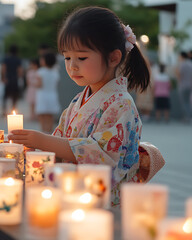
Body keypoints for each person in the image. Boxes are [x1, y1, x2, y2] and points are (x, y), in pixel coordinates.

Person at [9, 7, 151, 206]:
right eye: (67, 57)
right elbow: (59, 141)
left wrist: (42, 140)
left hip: (100, 199)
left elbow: (102, 156)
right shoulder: (78, 100)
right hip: (71, 191)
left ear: (113, 58)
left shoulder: (122, 104)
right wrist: (35, 146)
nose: (72, 66)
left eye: (81, 58)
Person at [35, 52, 61, 133]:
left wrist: (33, 83)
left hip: (42, 95)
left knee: (42, 115)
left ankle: (43, 132)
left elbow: (39, 85)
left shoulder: (40, 71)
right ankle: (50, 133)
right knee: (50, 116)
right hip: (52, 95)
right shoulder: (55, 71)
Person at [2, 45, 23, 116]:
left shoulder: (6, 59)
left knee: (5, 96)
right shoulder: (18, 59)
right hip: (15, 79)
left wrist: (4, 77)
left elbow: (4, 69)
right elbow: (20, 70)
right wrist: (19, 76)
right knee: (15, 96)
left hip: (8, 78)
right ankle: (13, 109)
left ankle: (4, 111)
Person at [176, 51, 192, 123]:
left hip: (183, 86)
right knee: (188, 102)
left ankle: (187, 117)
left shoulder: (182, 64)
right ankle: (188, 116)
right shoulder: (190, 64)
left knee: (184, 102)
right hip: (189, 85)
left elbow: (179, 75)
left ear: (182, 56)